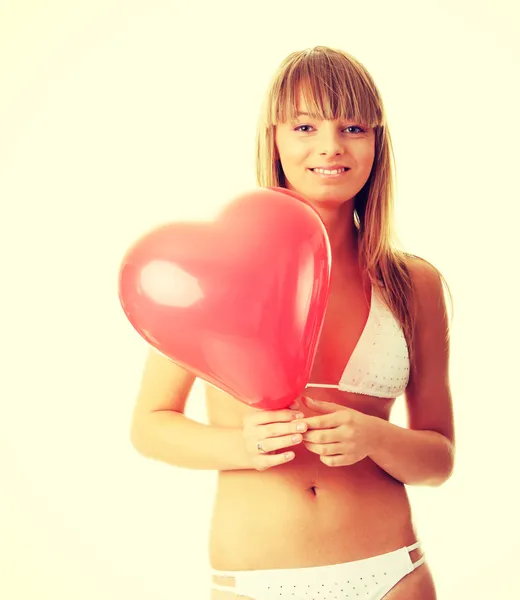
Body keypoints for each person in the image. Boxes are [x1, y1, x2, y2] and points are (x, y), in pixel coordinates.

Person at [129, 46, 455, 600]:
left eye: (353, 126)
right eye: (305, 125)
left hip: (391, 574)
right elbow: (151, 426)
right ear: (275, 138)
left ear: (377, 141)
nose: (330, 146)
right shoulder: (220, 268)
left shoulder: (412, 284)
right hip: (257, 581)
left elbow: (438, 459)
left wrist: (373, 436)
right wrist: (240, 447)